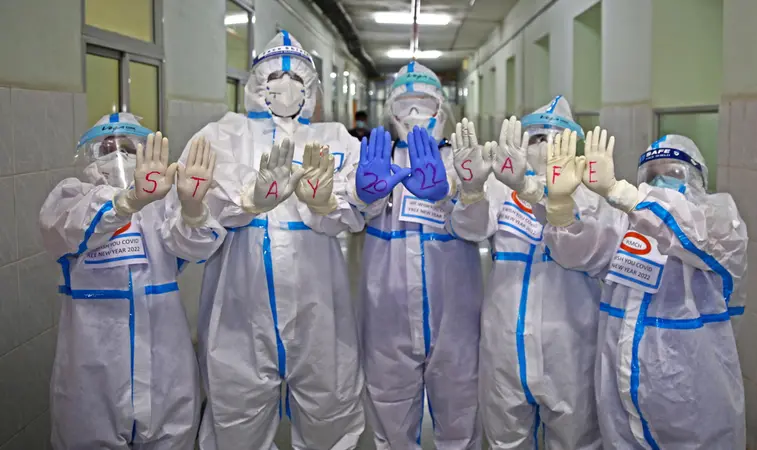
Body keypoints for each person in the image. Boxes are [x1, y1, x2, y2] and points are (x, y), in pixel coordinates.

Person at [177, 30, 366, 450]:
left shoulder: (334, 139)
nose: (286, 86)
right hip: (239, 313)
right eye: (275, 77)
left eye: (296, 78)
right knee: (235, 421)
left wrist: (329, 203)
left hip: (320, 310)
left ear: (311, 89)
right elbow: (190, 236)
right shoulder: (221, 136)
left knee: (330, 414)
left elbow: (356, 213)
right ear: (256, 84)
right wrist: (243, 203)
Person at [546, 130, 747, 448]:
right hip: (620, 396)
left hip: (689, 400)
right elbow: (575, 253)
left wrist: (620, 193)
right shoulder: (626, 223)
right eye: (652, 176)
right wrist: (559, 207)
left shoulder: (717, 219)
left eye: (673, 174)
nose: (660, 184)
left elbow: (687, 233)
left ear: (697, 178)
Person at [40, 112, 225, 449]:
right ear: (90, 154)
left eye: (126, 148)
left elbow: (198, 246)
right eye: (106, 148)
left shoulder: (162, 209)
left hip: (165, 369)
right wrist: (128, 202)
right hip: (93, 373)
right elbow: (68, 229)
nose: (116, 155)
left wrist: (192, 208)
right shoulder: (73, 197)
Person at [449, 96, 613, 449]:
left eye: (555, 139)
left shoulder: (592, 195)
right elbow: (470, 229)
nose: (544, 147)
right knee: (505, 437)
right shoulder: (502, 187)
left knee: (576, 439)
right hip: (504, 341)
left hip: (569, 344)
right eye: (536, 138)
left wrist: (540, 194)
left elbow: (595, 256)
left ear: (573, 144)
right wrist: (473, 190)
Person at [353, 61, 483, 449]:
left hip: (455, 317)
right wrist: (365, 196)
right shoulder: (376, 161)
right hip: (387, 317)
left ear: (441, 108)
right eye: (405, 104)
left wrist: (452, 194)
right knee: (390, 419)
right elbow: (349, 217)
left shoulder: (463, 162)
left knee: (460, 417)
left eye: (424, 103)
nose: (414, 113)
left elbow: (479, 227)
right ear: (390, 110)